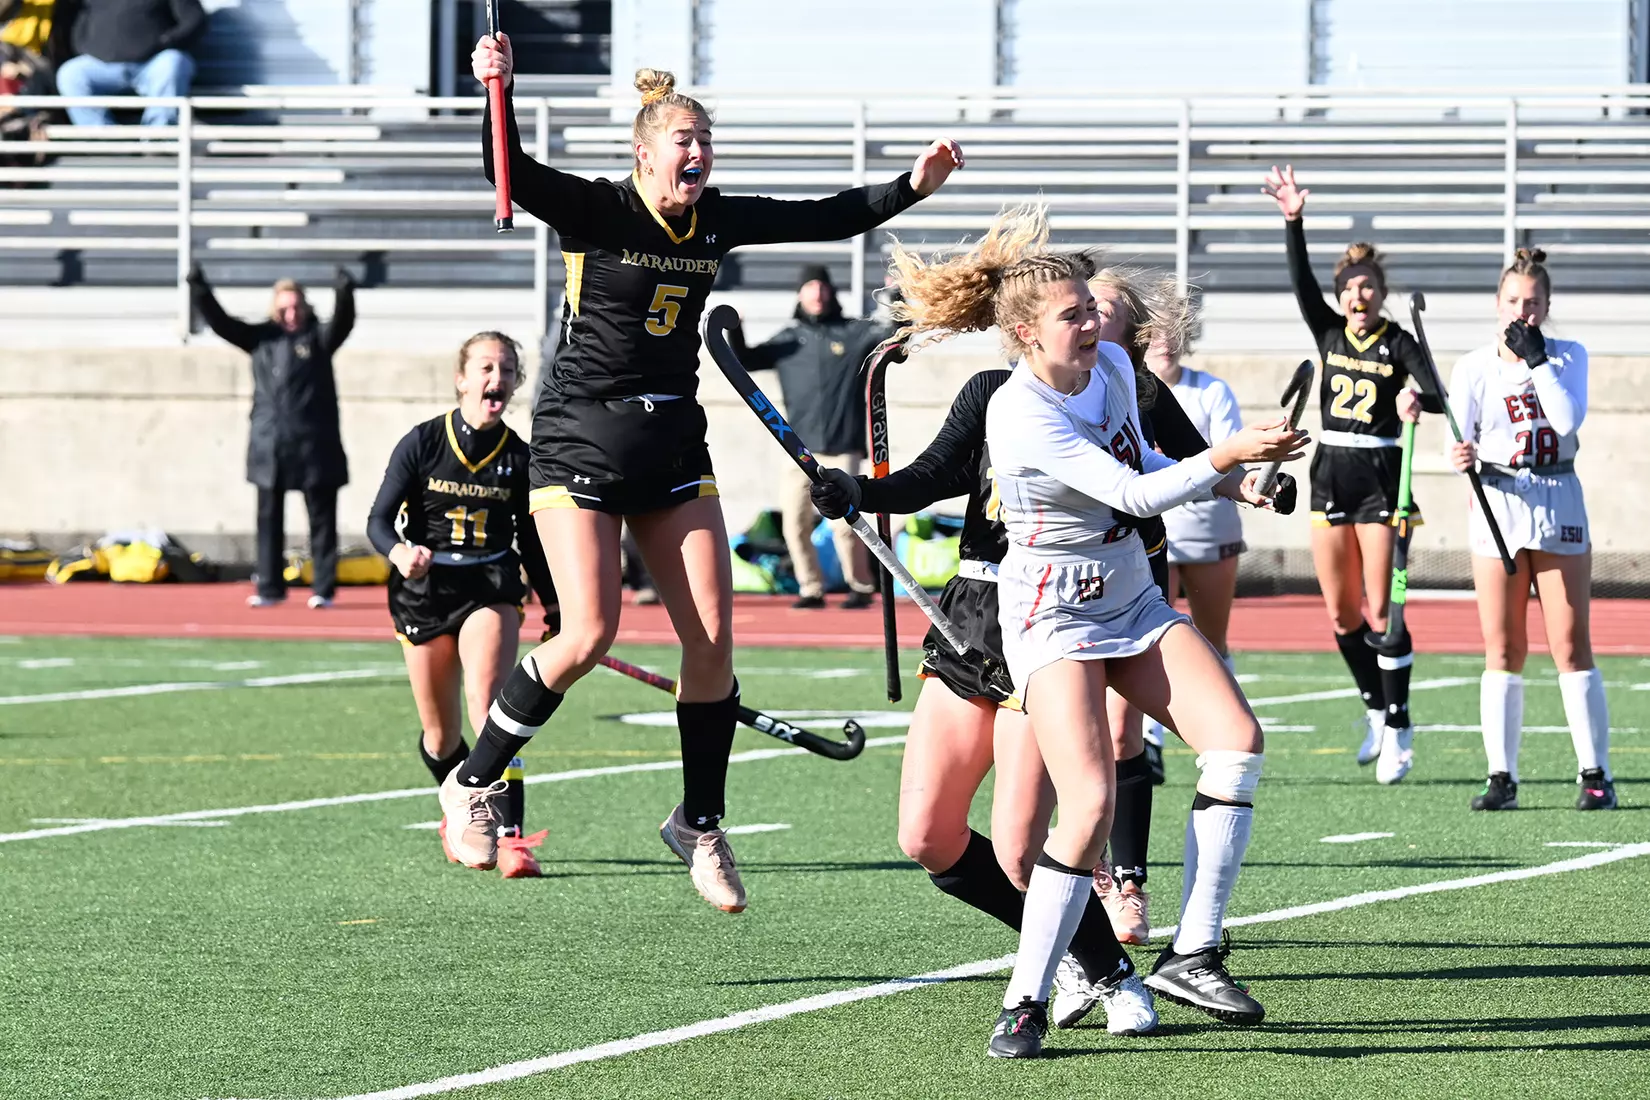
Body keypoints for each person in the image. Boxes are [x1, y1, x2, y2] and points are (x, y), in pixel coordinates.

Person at [437, 36, 962, 915]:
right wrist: (500, 87)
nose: (698, 154)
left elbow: (826, 217)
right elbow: (509, 169)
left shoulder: (715, 218)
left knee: (713, 639)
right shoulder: (598, 209)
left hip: (673, 443)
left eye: (705, 141)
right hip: (580, 439)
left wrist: (912, 185)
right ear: (644, 152)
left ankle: (700, 823)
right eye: (683, 141)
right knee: (587, 632)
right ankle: (472, 780)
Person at [874, 205, 1304, 1057]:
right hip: (1053, 615)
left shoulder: (1109, 365)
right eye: (1074, 313)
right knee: (1088, 804)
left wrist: (1234, 477)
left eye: (1091, 310)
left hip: (1131, 598)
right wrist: (1226, 456)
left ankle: (1195, 953)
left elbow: (1146, 459)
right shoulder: (1016, 412)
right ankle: (1027, 1000)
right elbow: (1132, 495)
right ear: (1027, 334)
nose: (1095, 324)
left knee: (1236, 741)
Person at [810, 347, 1158, 1039]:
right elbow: (933, 475)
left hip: (1046, 615)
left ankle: (1112, 973)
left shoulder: (1117, 392)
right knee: (927, 834)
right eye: (1072, 311)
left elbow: (1159, 493)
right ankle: (1078, 956)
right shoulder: (993, 391)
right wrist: (857, 492)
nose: (1090, 327)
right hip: (970, 611)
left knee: (1020, 850)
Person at [1264, 164, 1441, 785]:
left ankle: (1399, 723)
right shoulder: (1329, 331)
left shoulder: (1398, 342)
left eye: (1367, 287)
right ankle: (1374, 708)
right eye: (1350, 289)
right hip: (1330, 476)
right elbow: (1299, 282)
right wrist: (1294, 222)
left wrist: (1417, 400)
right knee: (1342, 615)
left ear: (1380, 293)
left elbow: (1437, 394)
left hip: (1383, 478)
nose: (1357, 297)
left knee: (1382, 610)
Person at [366, 332, 560, 877]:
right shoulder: (423, 442)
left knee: (488, 707)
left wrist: (555, 608)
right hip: (424, 593)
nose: (496, 378)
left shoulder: (520, 457)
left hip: (489, 587)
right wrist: (400, 553)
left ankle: (511, 838)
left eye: (506, 370)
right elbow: (378, 520)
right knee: (441, 737)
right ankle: (460, 810)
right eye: (486, 368)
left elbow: (533, 542)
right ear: (462, 378)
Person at [1447, 249, 1616, 812]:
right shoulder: (1473, 366)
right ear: (1497, 304)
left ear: (1546, 306)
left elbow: (1566, 420)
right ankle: (1501, 777)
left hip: (1557, 496)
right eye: (1514, 301)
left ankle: (1595, 775)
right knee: (1502, 646)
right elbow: (1459, 440)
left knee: (1570, 643)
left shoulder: (1568, 355)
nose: (1523, 312)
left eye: (1534, 303)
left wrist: (1537, 360)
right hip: (1498, 503)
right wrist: (1461, 456)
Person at [188, 264, 354, 609]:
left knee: (322, 519)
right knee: (268, 519)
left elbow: (343, 323)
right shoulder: (261, 338)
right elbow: (222, 324)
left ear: (305, 307)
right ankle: (269, 588)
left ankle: (323, 588)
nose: (291, 315)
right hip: (270, 443)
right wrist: (199, 288)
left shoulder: (319, 339)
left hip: (315, 443)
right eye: (284, 309)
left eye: (296, 308)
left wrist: (344, 290)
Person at [735, 264, 890, 609]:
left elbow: (891, 335)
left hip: (842, 447)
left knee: (845, 524)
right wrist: (734, 328)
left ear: (831, 292)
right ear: (799, 293)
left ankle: (861, 586)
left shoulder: (852, 333)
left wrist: (896, 298)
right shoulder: (788, 339)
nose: (817, 293)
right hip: (798, 450)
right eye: (810, 286)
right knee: (794, 523)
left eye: (822, 286)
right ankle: (811, 588)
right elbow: (744, 360)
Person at [1149, 329, 1246, 665]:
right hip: (1151, 528)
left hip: (1208, 527)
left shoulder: (1211, 390)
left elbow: (1228, 458)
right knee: (1149, 643)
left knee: (1212, 643)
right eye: (1157, 334)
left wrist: (1169, 462)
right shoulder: (1119, 388)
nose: (1166, 343)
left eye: (1174, 334)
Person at [54, 0, 205, 127]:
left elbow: (194, 19)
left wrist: (166, 41)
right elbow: (77, 21)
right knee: (71, 74)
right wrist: (83, 47)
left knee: (173, 62)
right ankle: (103, 140)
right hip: (102, 65)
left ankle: (158, 138)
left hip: (153, 62)